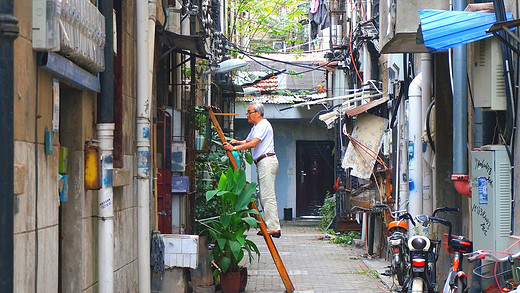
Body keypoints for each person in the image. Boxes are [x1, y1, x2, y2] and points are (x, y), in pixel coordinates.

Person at [223, 102, 282, 238]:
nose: (247, 115)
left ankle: (274, 227)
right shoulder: (256, 127)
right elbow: (247, 141)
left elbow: (253, 143)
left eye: (249, 112)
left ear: (258, 113)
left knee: (267, 195)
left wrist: (235, 148)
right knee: (264, 194)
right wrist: (236, 142)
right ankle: (271, 226)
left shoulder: (263, 124)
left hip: (267, 161)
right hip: (263, 162)